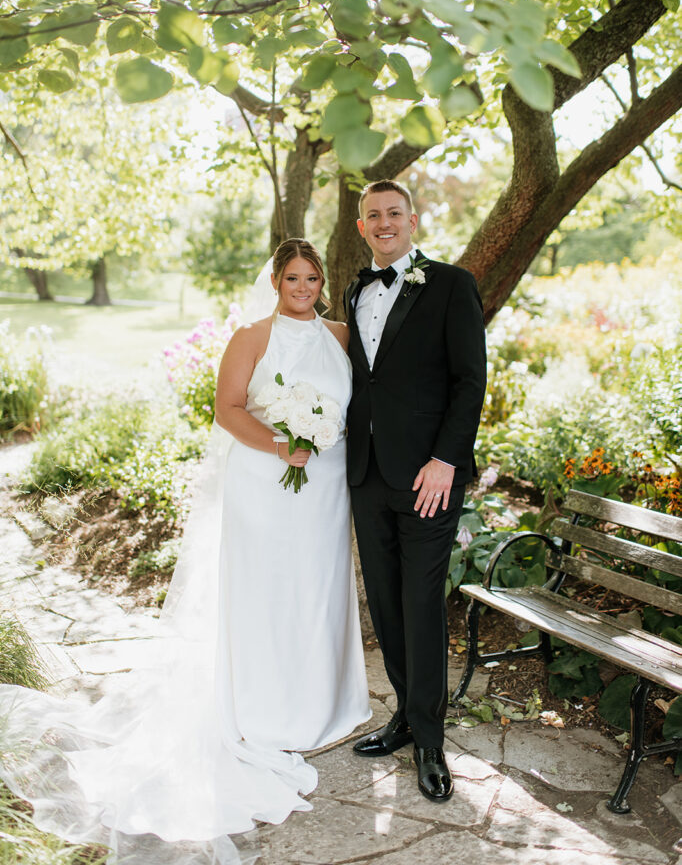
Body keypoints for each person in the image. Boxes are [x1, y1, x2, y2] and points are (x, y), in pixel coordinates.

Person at [0, 238, 369, 865]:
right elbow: (226, 409)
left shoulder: (339, 336)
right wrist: (282, 444)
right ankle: (262, 710)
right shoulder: (252, 336)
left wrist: (316, 439)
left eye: (311, 278)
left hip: (324, 490)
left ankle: (321, 702)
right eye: (292, 278)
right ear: (276, 280)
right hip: (265, 482)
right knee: (263, 592)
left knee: (318, 589)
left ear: (321, 282)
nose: (302, 287)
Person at [344, 180, 487, 802]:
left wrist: (445, 460)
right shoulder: (353, 290)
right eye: (373, 215)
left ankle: (430, 740)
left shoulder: (451, 283)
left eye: (394, 213)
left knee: (422, 603)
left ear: (413, 219)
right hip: (367, 474)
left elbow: (469, 379)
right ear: (360, 226)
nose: (384, 222)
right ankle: (405, 715)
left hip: (430, 477)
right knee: (386, 601)